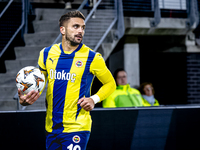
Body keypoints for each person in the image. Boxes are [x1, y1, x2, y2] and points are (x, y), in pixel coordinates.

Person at [18, 10, 116, 150]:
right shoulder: (46, 54)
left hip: (77, 127)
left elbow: (110, 83)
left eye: (83, 27)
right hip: (51, 126)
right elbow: (40, 82)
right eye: (75, 26)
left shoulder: (93, 57)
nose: (80, 31)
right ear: (62, 30)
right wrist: (26, 97)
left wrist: (93, 99)